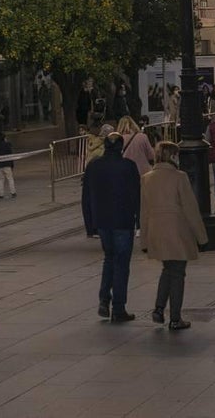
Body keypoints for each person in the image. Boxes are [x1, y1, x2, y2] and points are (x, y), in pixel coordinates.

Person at [141, 141, 208, 331]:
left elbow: (144, 211)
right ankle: (175, 318)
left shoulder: (147, 178)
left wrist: (144, 239)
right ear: (172, 156)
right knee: (178, 273)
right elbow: (190, 209)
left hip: (157, 231)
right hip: (177, 231)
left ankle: (159, 308)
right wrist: (201, 237)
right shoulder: (179, 177)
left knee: (167, 269)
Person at [81, 132, 140, 322]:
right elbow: (137, 195)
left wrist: (90, 224)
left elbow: (86, 197)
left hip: (103, 222)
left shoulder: (94, 166)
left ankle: (104, 300)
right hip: (123, 220)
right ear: (121, 147)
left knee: (109, 258)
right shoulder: (128, 166)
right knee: (122, 263)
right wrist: (140, 220)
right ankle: (118, 307)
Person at [0, 128, 16, 199]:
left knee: (1, 179)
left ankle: (1, 194)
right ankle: (13, 192)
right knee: (10, 178)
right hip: (7, 164)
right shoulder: (7, 145)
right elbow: (10, 155)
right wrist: (12, 165)